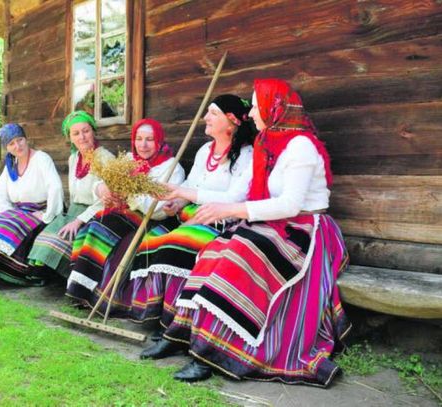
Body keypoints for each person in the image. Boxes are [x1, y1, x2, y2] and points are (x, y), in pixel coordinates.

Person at [141, 79, 351, 387]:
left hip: (304, 229)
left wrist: (231, 211)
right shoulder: (268, 144)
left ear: (274, 108)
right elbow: (251, 197)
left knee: (238, 258)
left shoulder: (301, 146)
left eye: (255, 105)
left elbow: (290, 205)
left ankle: (213, 352)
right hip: (272, 223)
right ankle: (181, 333)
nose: (251, 112)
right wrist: (210, 203)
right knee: (213, 251)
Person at [127, 95, 255, 338]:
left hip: (219, 223)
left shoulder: (247, 155)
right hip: (189, 217)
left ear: (232, 121)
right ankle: (152, 313)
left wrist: (185, 193)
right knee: (150, 241)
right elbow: (190, 184)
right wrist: (176, 203)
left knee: (175, 245)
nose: (205, 117)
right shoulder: (205, 150)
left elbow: (235, 198)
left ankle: (175, 322)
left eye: (212, 113)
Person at [66, 118, 185, 313]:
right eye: (139, 138)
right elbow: (105, 183)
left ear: (159, 141)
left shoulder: (172, 167)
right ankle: (80, 291)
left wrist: (129, 193)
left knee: (110, 237)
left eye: (149, 139)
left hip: (151, 220)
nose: (143, 145)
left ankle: (106, 300)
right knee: (93, 227)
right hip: (125, 212)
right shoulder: (129, 159)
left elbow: (156, 210)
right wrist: (103, 189)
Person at [0, 123, 63, 289]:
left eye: (20, 140)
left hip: (42, 211)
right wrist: (10, 213)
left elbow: (55, 187)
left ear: (26, 139)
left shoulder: (41, 159)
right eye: (11, 143)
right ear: (6, 147)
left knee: (8, 223)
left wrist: (47, 215)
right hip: (21, 212)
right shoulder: (11, 166)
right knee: (0, 222)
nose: (17, 146)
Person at [27, 111, 114, 279]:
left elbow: (107, 200)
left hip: (96, 214)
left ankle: (61, 275)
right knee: (47, 235)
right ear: (70, 138)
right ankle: (46, 272)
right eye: (76, 133)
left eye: (86, 131)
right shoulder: (73, 158)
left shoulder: (105, 158)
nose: (82, 137)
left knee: (67, 237)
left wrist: (78, 221)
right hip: (75, 210)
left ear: (93, 132)